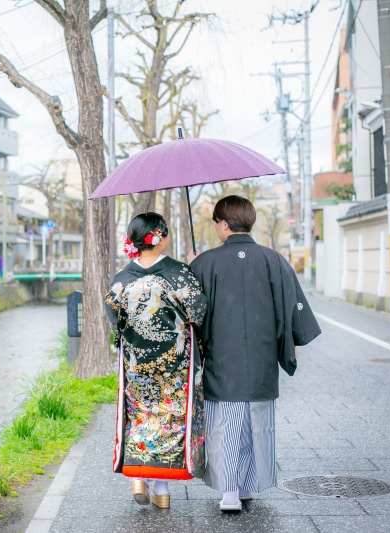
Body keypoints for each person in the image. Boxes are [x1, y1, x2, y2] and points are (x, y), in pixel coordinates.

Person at [187, 195, 321, 512]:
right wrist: (292, 344)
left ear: (222, 224)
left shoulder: (205, 262)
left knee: (225, 425)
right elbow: (292, 306)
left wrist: (191, 266)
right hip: (262, 360)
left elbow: (191, 312)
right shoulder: (274, 259)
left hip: (221, 360)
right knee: (256, 424)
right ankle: (248, 487)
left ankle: (230, 493)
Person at [105, 212, 208, 510]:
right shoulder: (178, 272)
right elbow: (197, 311)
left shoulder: (123, 278)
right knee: (170, 419)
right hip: (174, 364)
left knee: (140, 417)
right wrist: (193, 266)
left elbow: (115, 316)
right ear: (159, 236)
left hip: (137, 363)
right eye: (166, 233)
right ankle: (162, 491)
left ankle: (139, 479)